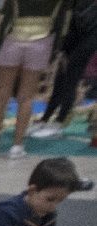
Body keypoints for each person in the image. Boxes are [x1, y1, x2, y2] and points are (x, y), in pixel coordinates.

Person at [0, 0, 72, 159]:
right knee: (27, 98)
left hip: (13, 38)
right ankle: (17, 146)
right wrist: (55, 50)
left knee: (1, 96)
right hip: (42, 39)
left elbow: (5, 17)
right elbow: (62, 22)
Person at [33, 0, 97, 135]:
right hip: (73, 33)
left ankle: (60, 121)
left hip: (90, 36)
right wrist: (62, 49)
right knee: (61, 75)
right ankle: (46, 118)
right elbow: (67, 22)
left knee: (72, 75)